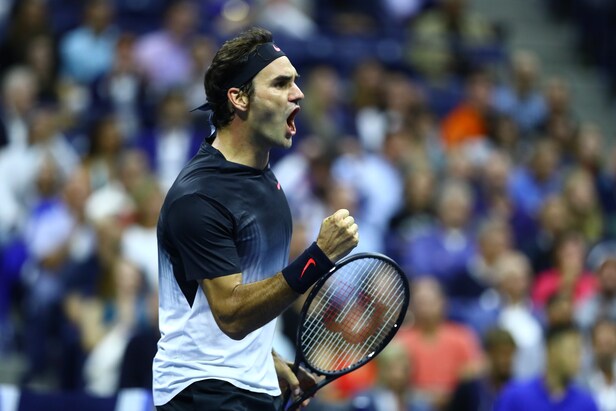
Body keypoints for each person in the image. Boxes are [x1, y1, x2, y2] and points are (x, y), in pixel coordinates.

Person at [153, 27, 360, 411]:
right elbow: (231, 315)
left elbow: (237, 306)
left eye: (295, 82)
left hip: (247, 385)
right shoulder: (199, 195)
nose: (298, 94)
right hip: (203, 394)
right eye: (281, 84)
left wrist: (267, 362)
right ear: (239, 99)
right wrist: (319, 256)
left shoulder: (264, 179)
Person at [495, 323, 598, 411]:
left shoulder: (586, 404)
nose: (579, 358)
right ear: (551, 350)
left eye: (580, 352)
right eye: (574, 351)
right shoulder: (515, 397)